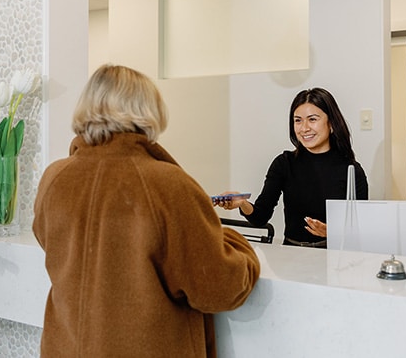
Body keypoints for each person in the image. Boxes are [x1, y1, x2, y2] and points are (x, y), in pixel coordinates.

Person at [33, 64, 260, 358]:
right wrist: (236, 242)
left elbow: (48, 240)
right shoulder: (168, 184)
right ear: (148, 109)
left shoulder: (55, 178)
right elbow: (218, 287)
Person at [216, 87, 368, 247]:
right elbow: (260, 218)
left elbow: (361, 230)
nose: (304, 128)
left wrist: (333, 233)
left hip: (332, 255)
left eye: (313, 119)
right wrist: (243, 204)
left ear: (331, 123)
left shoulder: (351, 170)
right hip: (291, 252)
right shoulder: (284, 163)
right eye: (298, 120)